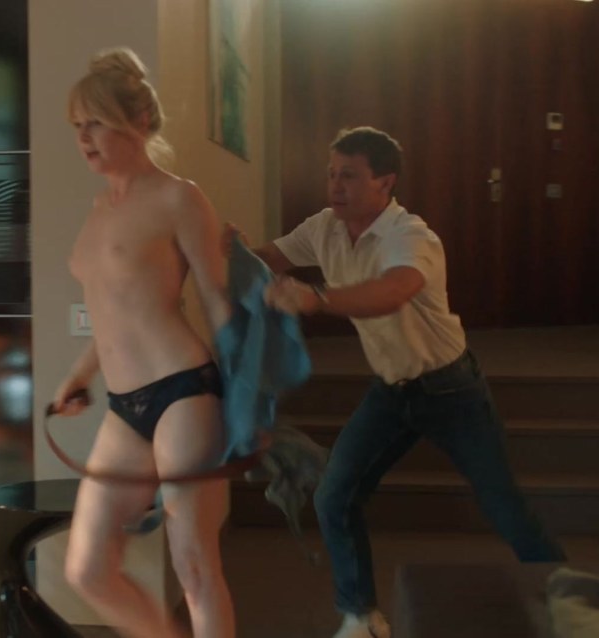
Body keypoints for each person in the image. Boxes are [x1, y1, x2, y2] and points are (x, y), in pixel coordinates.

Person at [232, 126, 566, 638]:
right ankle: (361, 616)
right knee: (334, 495)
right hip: (391, 390)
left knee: (503, 506)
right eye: (331, 174)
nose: (335, 185)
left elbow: (394, 290)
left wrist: (316, 299)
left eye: (349, 176)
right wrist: (223, 247)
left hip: (451, 389)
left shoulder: (411, 236)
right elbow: (266, 258)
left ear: (385, 183)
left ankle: (574, 607)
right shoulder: (324, 227)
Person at [51, 48, 234, 638]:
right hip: (124, 406)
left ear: (140, 122)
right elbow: (116, 313)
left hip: (185, 392)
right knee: (86, 569)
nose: (83, 137)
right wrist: (80, 373)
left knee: (194, 565)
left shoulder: (179, 197)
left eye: (96, 122)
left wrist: (247, 399)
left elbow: (217, 302)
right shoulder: (98, 209)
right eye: (77, 125)